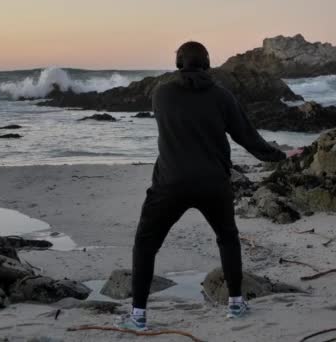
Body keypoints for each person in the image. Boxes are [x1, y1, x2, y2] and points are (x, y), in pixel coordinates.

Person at [122, 41, 289, 331]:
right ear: (208, 63)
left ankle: (138, 316)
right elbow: (247, 138)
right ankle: (236, 304)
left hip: (170, 184)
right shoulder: (222, 97)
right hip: (214, 183)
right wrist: (280, 155)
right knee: (227, 239)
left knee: (146, 245)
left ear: (178, 63)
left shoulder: (161, 94)